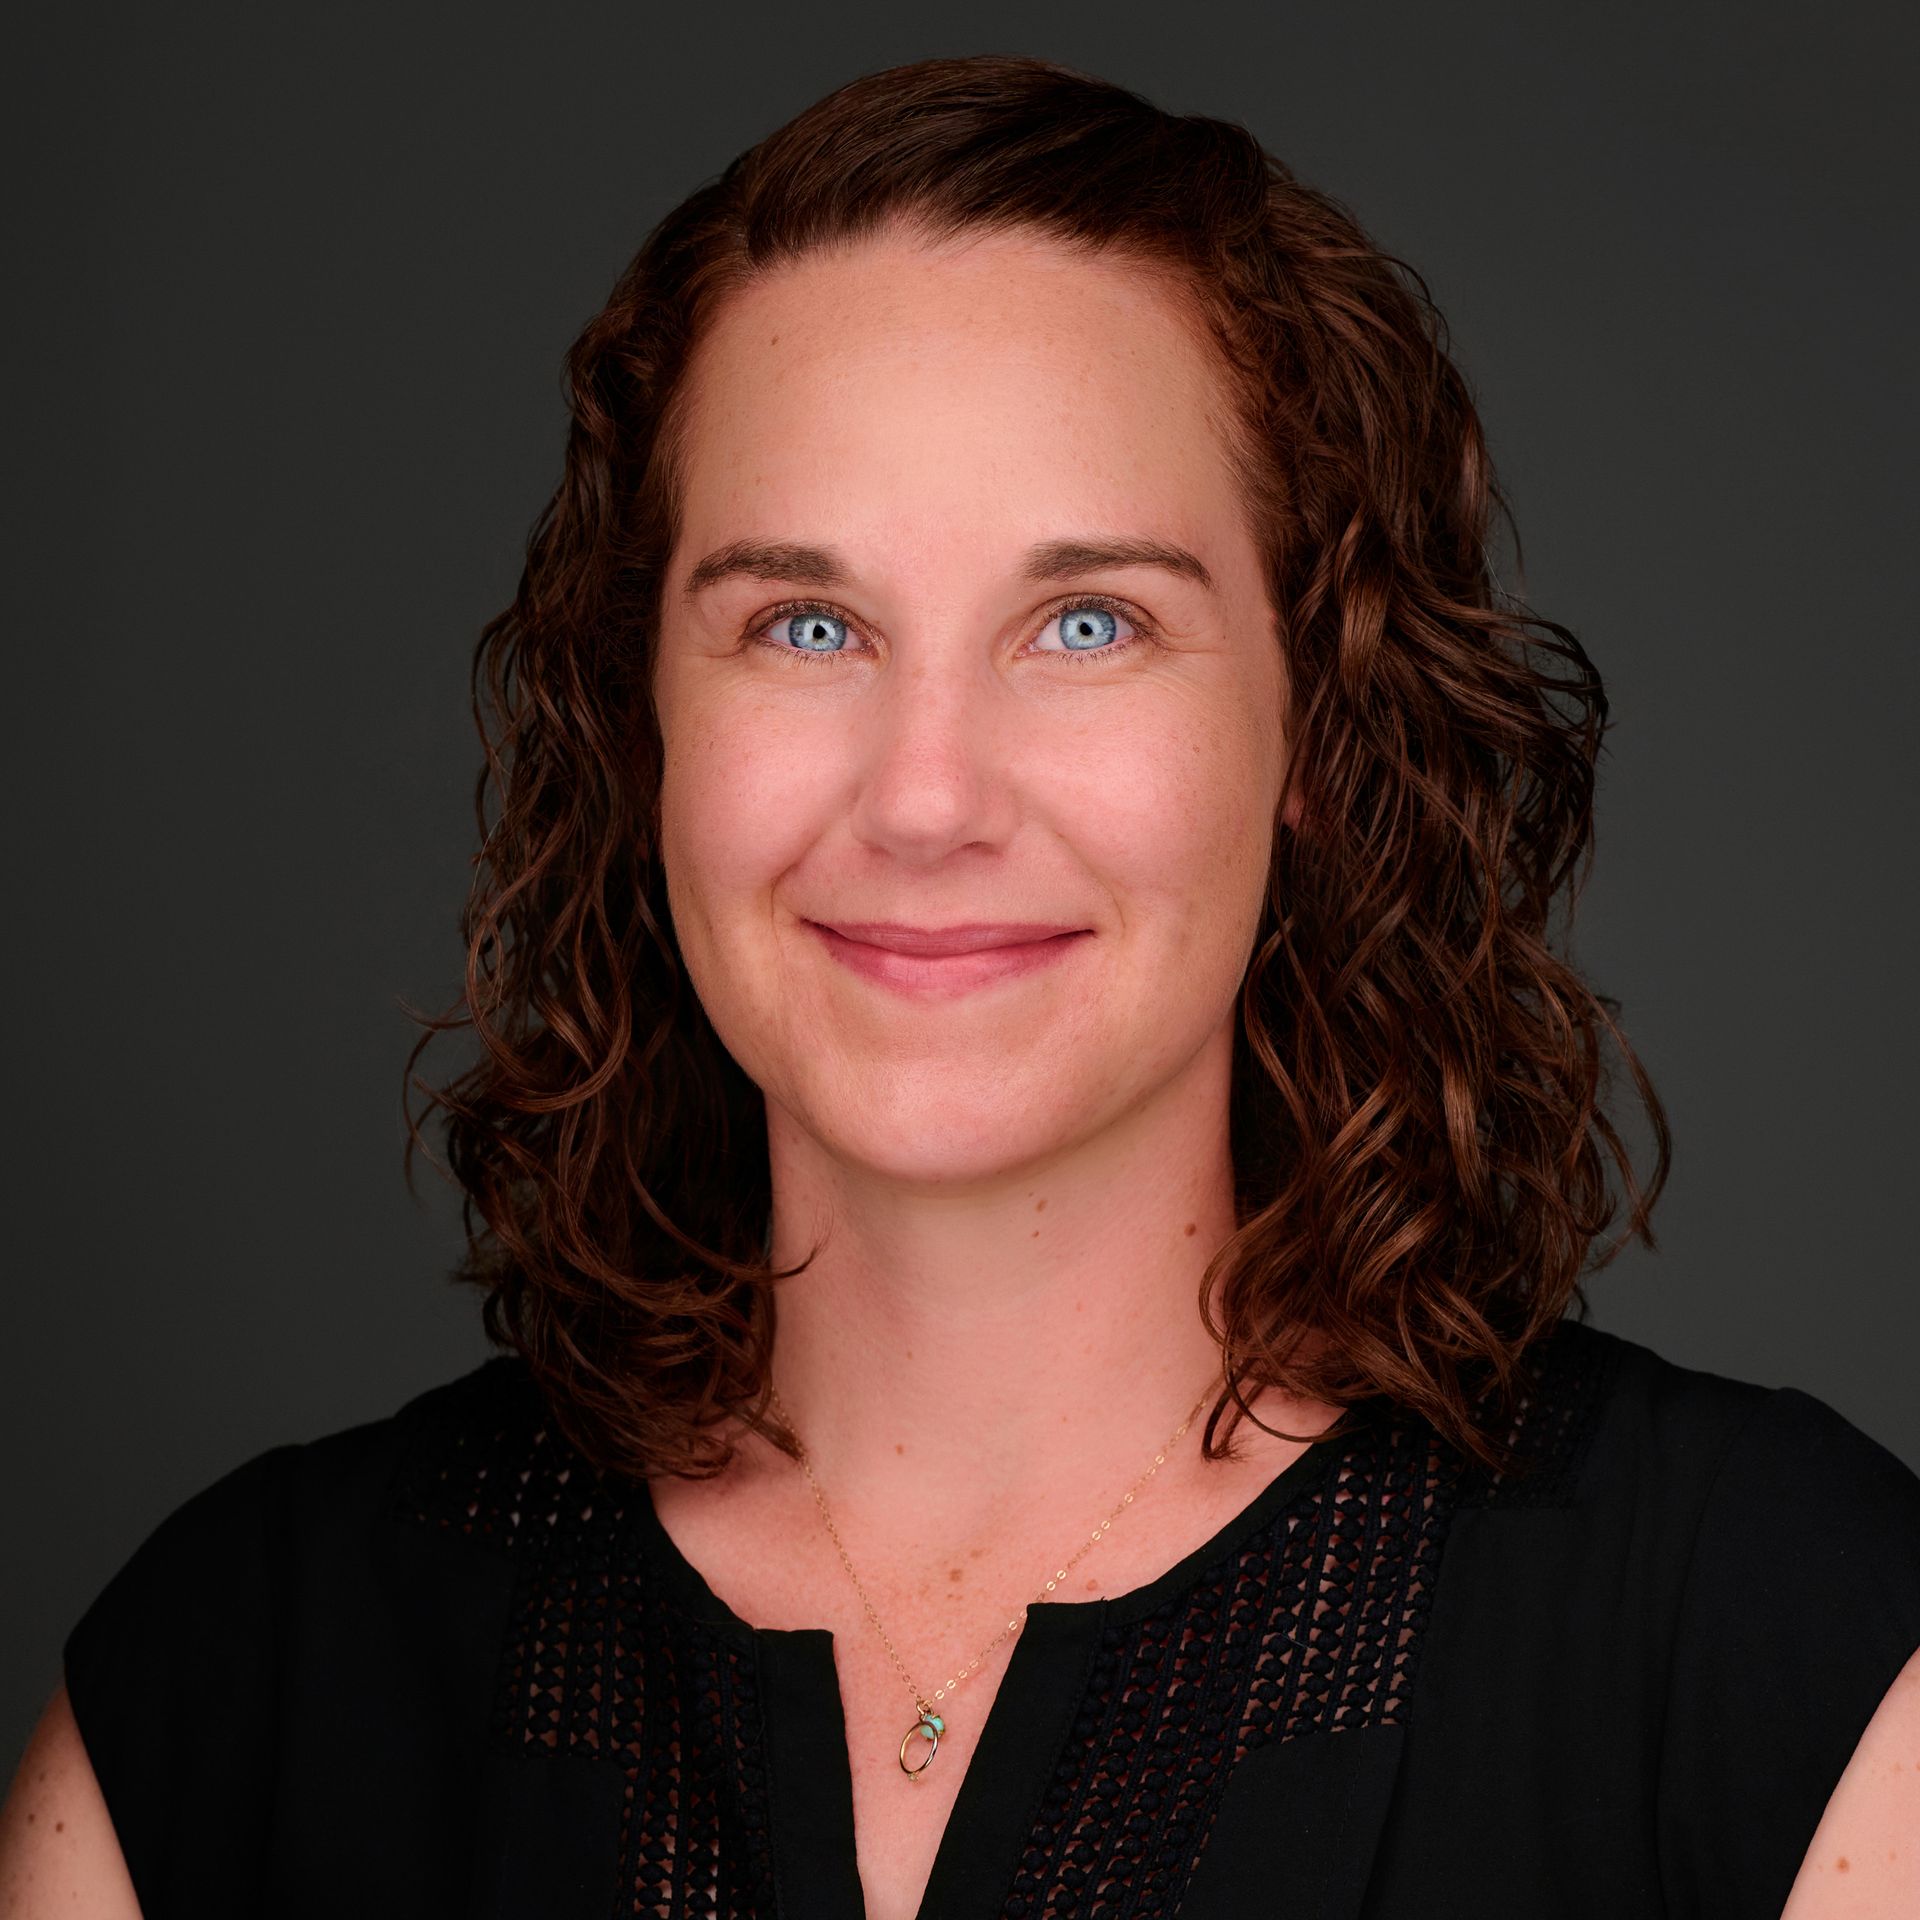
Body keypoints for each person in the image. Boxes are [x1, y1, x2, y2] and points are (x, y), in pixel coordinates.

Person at [4, 51, 1917, 1920]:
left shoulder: (1796, 1663)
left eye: (1089, 623)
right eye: (804, 624)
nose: (925, 799)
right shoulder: (226, 1698)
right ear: (643, 722)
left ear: (1319, 725)